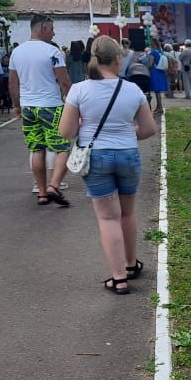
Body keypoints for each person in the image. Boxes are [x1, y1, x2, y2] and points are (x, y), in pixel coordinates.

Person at [59, 36, 156, 295]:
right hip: (128, 154)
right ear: (117, 59)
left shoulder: (78, 90)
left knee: (107, 217)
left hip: (96, 158)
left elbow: (66, 132)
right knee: (127, 212)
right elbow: (148, 129)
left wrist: (83, 127)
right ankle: (131, 263)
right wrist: (125, 132)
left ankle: (119, 277)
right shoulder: (133, 90)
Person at [9, 14, 73, 206]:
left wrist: (17, 106)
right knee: (62, 148)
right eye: (52, 29)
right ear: (43, 28)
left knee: (37, 148)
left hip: (28, 107)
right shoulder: (53, 52)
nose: (54, 34)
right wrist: (72, 104)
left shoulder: (16, 53)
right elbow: (64, 81)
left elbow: (13, 83)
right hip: (51, 106)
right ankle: (54, 185)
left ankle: (42, 193)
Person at [148, 41, 168, 116]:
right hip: (161, 71)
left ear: (152, 44)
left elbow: (150, 64)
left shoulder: (153, 53)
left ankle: (160, 108)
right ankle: (158, 107)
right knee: (158, 91)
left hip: (154, 72)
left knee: (157, 91)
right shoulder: (161, 52)